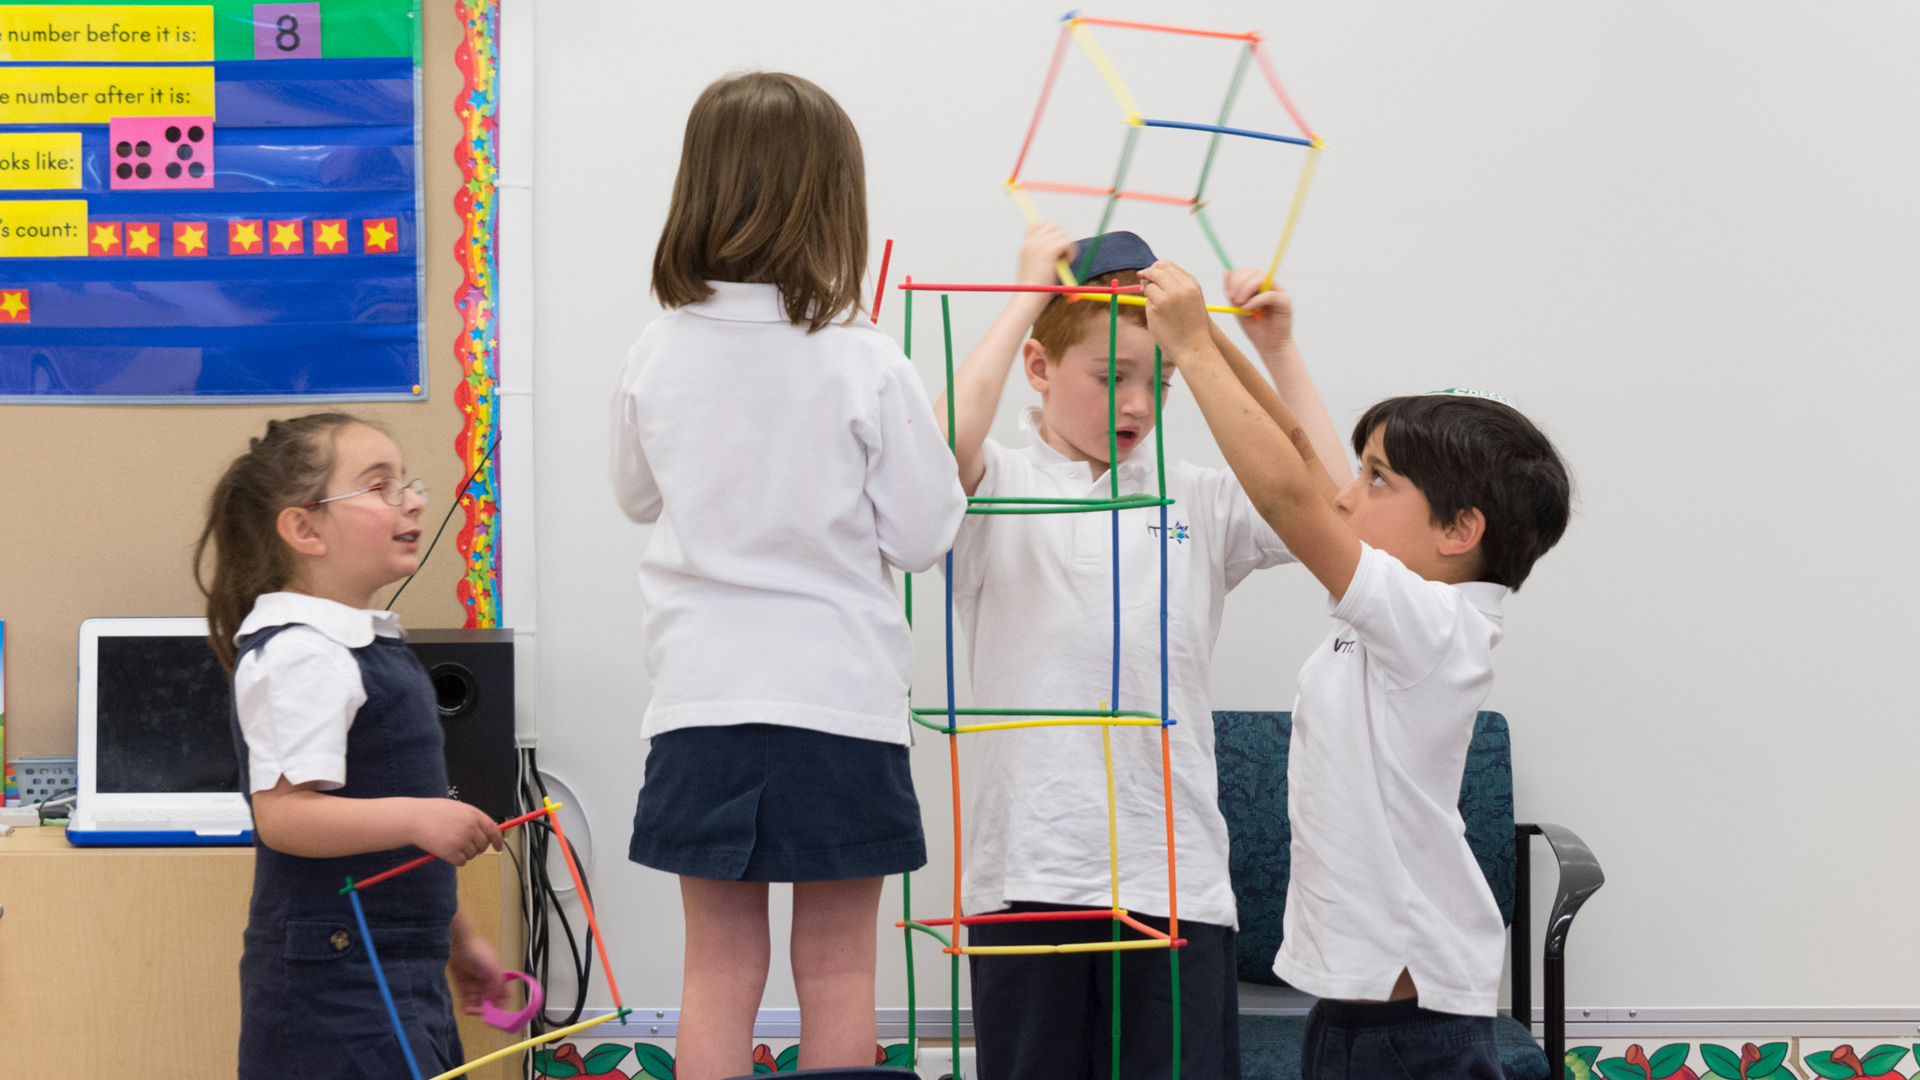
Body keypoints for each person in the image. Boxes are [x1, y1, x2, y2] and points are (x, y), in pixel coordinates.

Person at [610, 71, 967, 1080]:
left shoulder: (656, 349)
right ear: (834, 205)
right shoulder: (866, 360)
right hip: (838, 703)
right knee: (840, 973)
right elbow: (926, 531)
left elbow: (636, 496)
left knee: (718, 969)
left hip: (699, 702)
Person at [1138, 260, 1573, 1080]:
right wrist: (1272, 349)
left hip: (1416, 1034)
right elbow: (1313, 477)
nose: (1350, 494)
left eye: (1379, 478)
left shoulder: (1438, 627)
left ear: (1459, 529)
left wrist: (1196, 349)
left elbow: (1292, 501)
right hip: (1353, 1014)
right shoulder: (1403, 610)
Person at [938, 224, 1349, 1080]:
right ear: (1040, 370)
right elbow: (932, 453)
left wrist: (1272, 351)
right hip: (1027, 873)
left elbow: (1332, 506)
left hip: (1175, 881)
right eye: (1110, 376)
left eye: (1158, 380)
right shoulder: (994, 485)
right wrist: (1024, 299)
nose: (1136, 404)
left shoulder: (1195, 494)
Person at [195, 413, 507, 1079]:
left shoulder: (363, 645)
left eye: (408, 482)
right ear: (305, 528)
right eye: (379, 486)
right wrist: (421, 816)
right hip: (332, 984)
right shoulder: (302, 653)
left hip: (398, 967)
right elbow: (284, 816)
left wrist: (461, 939)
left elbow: (400, 818)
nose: (414, 499)